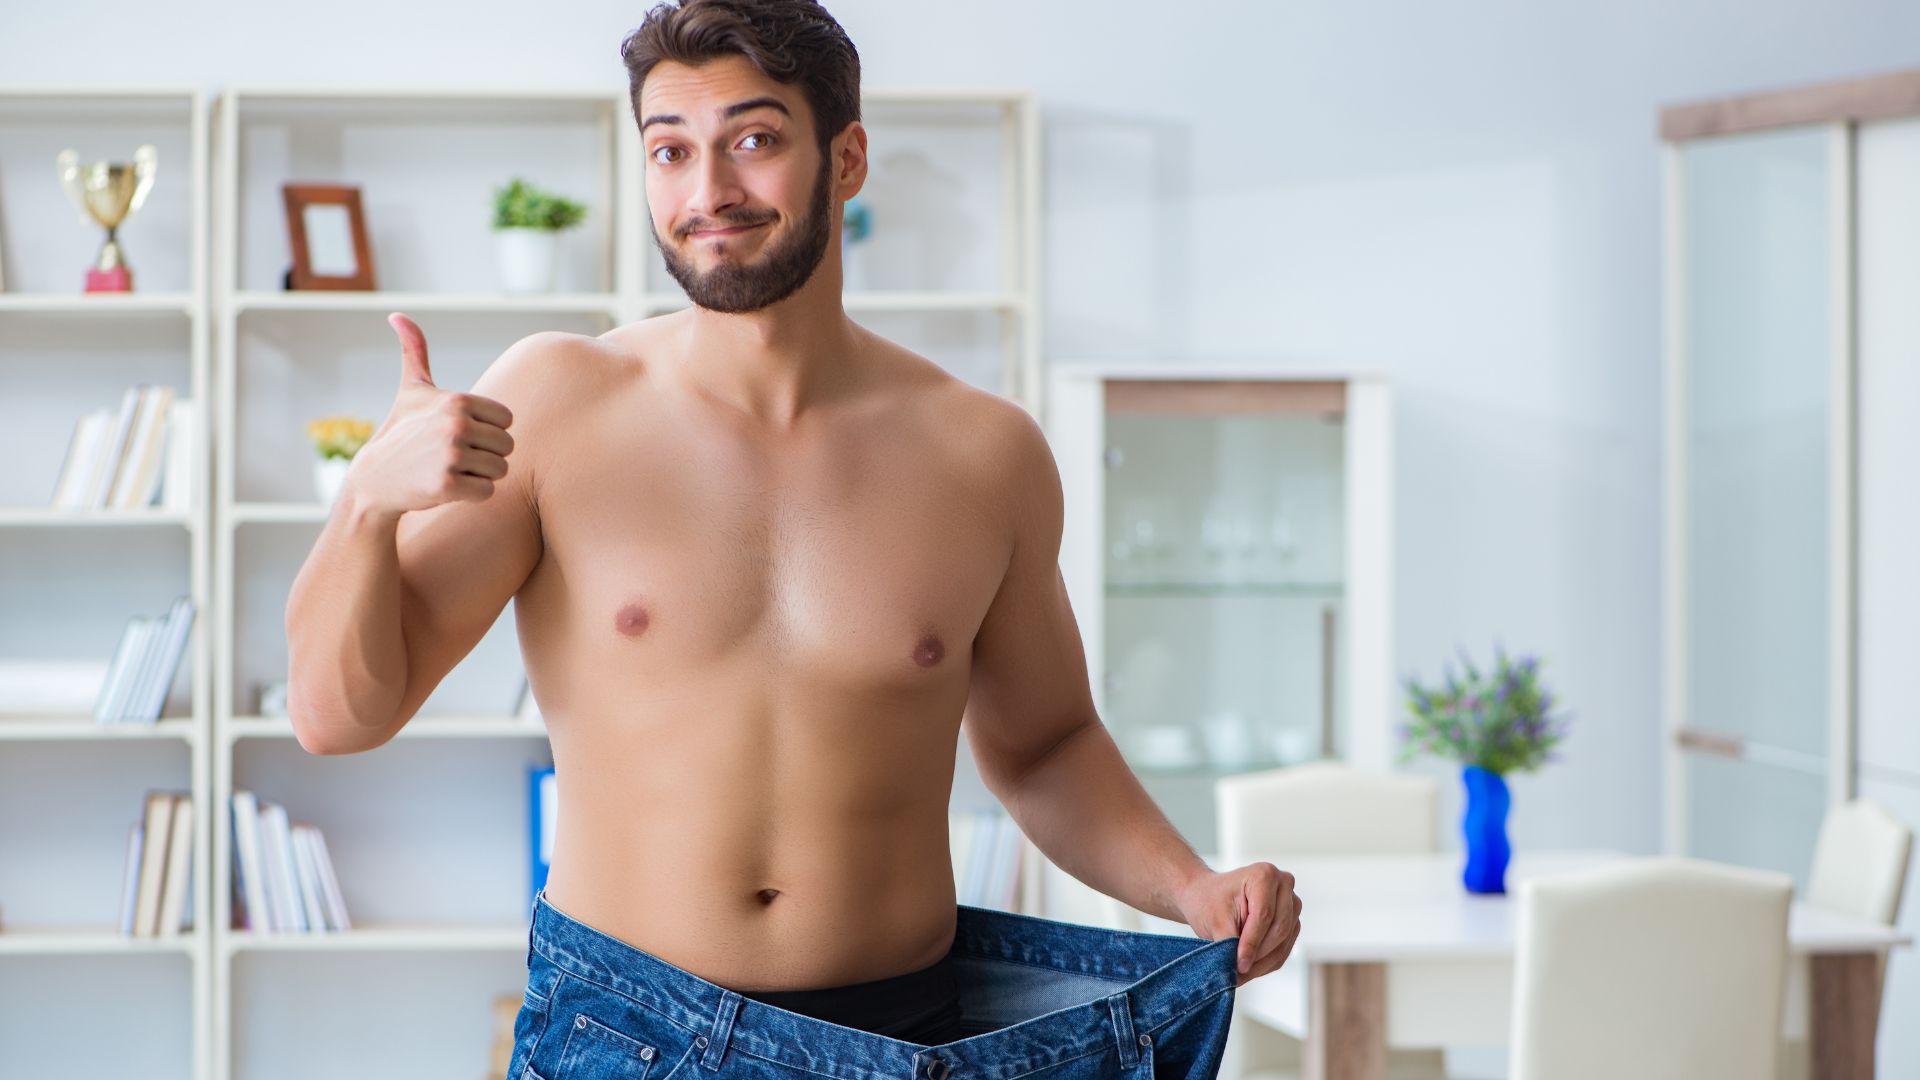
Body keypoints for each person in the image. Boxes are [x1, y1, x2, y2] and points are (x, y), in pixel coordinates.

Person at [283, 0, 1300, 1074]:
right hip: (629, 1032)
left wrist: (1189, 884)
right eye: (670, 151)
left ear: (847, 158)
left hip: (908, 1036)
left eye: (754, 141)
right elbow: (337, 716)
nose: (708, 190)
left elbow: (1047, 746)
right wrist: (365, 505)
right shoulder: (554, 404)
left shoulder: (983, 454)